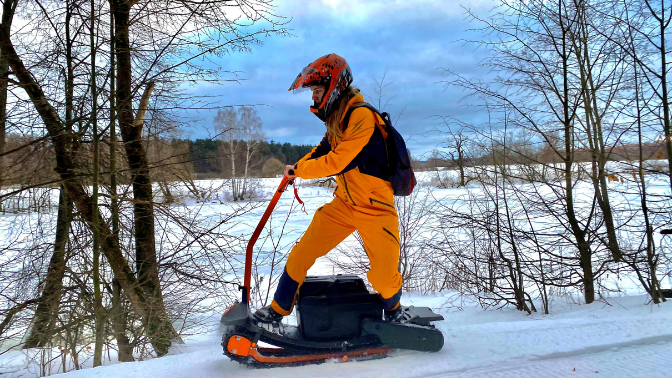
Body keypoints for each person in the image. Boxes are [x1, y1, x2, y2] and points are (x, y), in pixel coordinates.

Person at [253, 53, 403, 323]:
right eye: (313, 92)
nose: (314, 98)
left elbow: (337, 161)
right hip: (345, 204)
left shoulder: (361, 117)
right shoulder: (337, 119)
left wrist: (300, 171)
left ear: (335, 87)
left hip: (375, 208)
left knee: (383, 276)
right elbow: (321, 150)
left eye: (317, 91)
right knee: (302, 252)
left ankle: (395, 313)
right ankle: (278, 309)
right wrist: (295, 168)